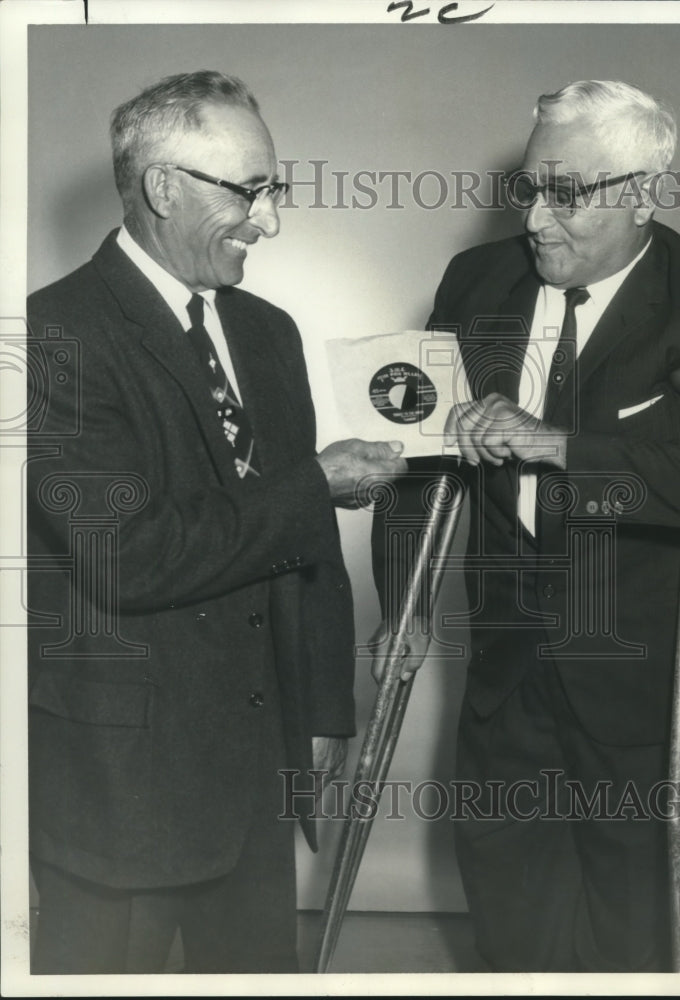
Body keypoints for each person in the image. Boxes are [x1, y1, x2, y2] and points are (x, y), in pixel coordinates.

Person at [372, 80, 680, 972]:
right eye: (528, 189)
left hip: (645, 686)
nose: (538, 221)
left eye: (569, 195)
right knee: (511, 923)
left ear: (642, 193)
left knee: (638, 939)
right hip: (506, 672)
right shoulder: (476, 282)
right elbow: (417, 454)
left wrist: (558, 446)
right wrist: (406, 601)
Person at [26, 70, 406, 975]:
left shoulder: (268, 331)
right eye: (251, 191)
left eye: (272, 192)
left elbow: (304, 551)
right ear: (164, 187)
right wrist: (315, 483)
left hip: (260, 774)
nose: (269, 221)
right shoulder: (52, 337)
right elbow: (130, 555)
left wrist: (322, 710)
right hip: (123, 789)